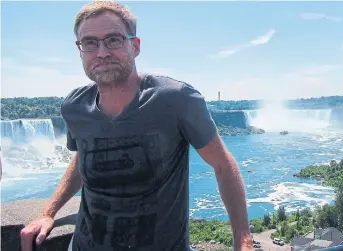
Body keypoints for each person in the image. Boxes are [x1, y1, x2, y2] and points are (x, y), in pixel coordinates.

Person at [19, 1, 252, 250]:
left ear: (135, 46)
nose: (101, 52)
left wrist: (243, 239)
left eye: (113, 40)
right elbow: (83, 159)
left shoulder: (175, 99)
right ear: (80, 50)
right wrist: (48, 211)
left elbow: (223, 165)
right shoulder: (74, 106)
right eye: (89, 43)